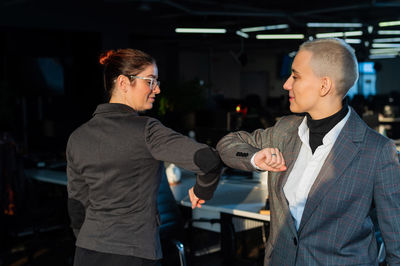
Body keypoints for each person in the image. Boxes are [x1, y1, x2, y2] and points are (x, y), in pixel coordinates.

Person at [216, 38, 400, 265]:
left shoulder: (377, 151)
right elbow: (227, 144)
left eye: (296, 76)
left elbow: (397, 245)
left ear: (324, 86)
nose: (286, 85)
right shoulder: (284, 130)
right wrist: (255, 158)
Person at [66, 48, 222, 266]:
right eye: (150, 81)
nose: (157, 89)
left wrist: (91, 238)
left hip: (87, 252)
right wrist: (201, 190)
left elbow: (76, 205)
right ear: (123, 83)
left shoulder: (77, 137)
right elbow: (209, 160)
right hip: (134, 253)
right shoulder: (147, 131)